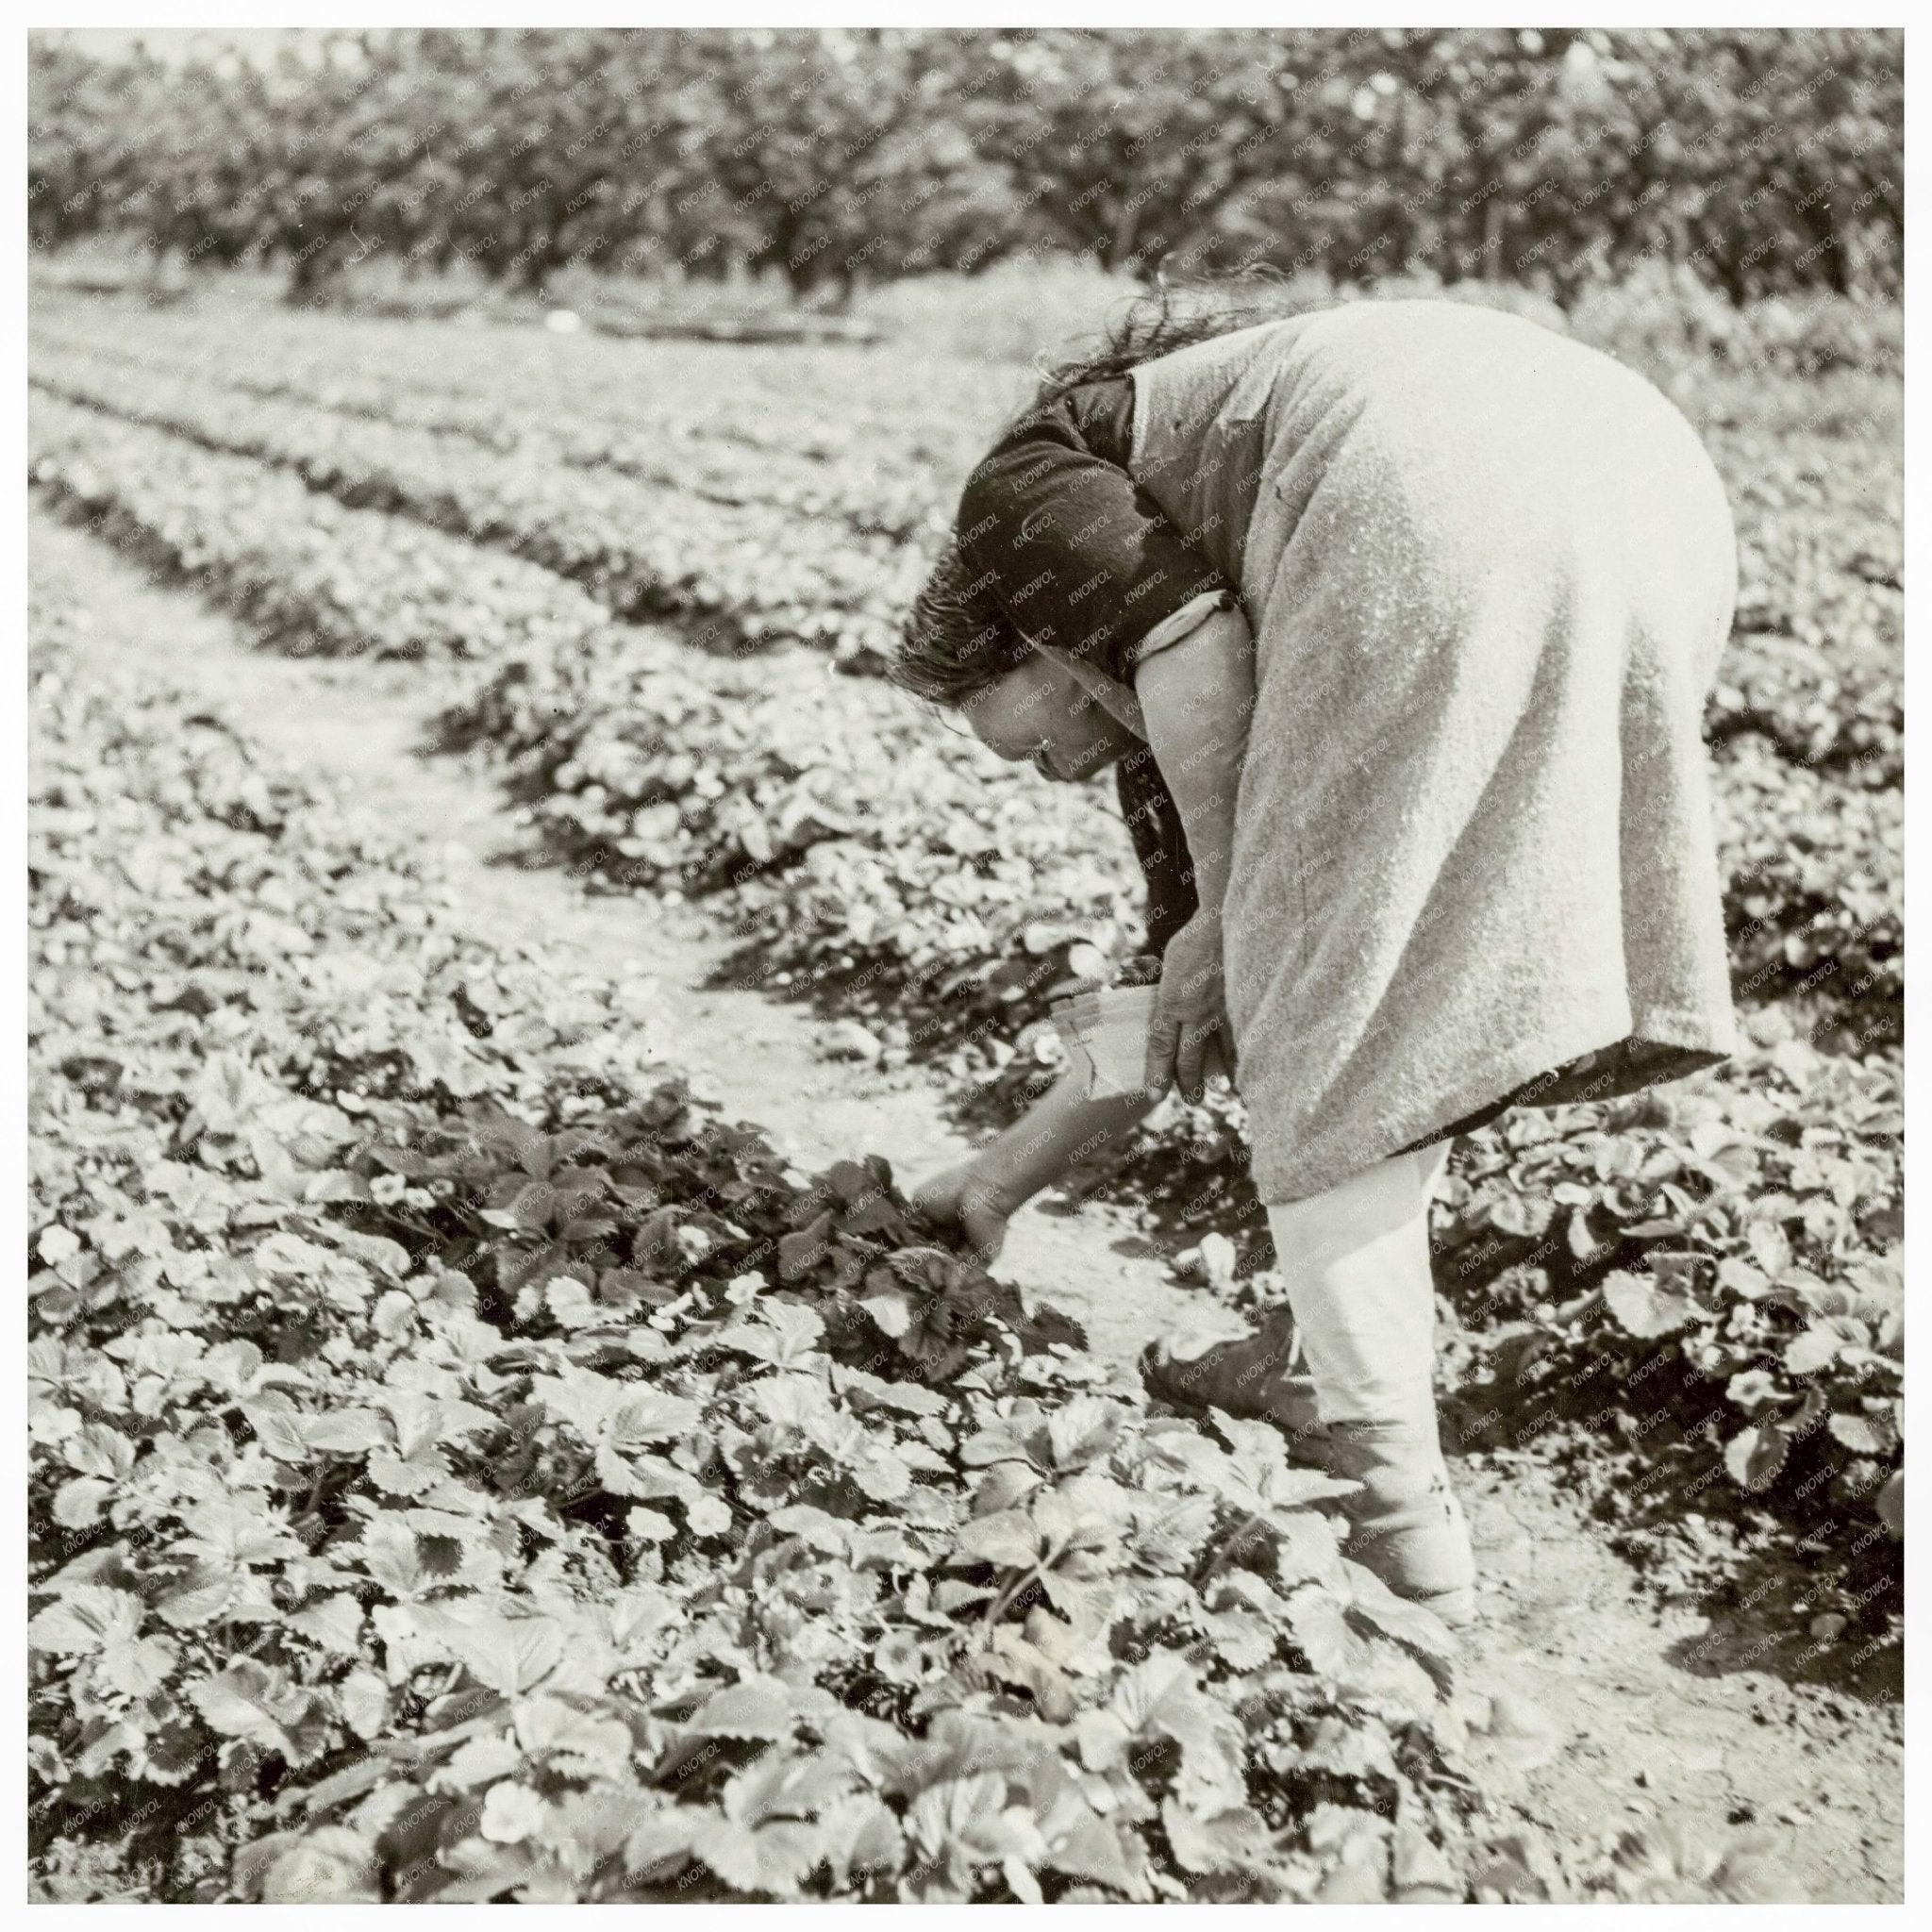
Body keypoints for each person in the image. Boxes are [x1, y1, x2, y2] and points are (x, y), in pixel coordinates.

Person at [891, 285, 1740, 1626]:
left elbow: (1192, 659)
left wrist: (1233, 920)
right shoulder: (1182, 697)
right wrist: (1002, 1177)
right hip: (1656, 501)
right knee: (1388, 981)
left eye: (1029, 740)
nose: (1056, 771)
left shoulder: (1018, 500)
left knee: (1321, 1014)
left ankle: (1390, 1508)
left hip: (1433, 504)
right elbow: (1175, 1012)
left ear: (1033, 625)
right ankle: (1312, 1360)